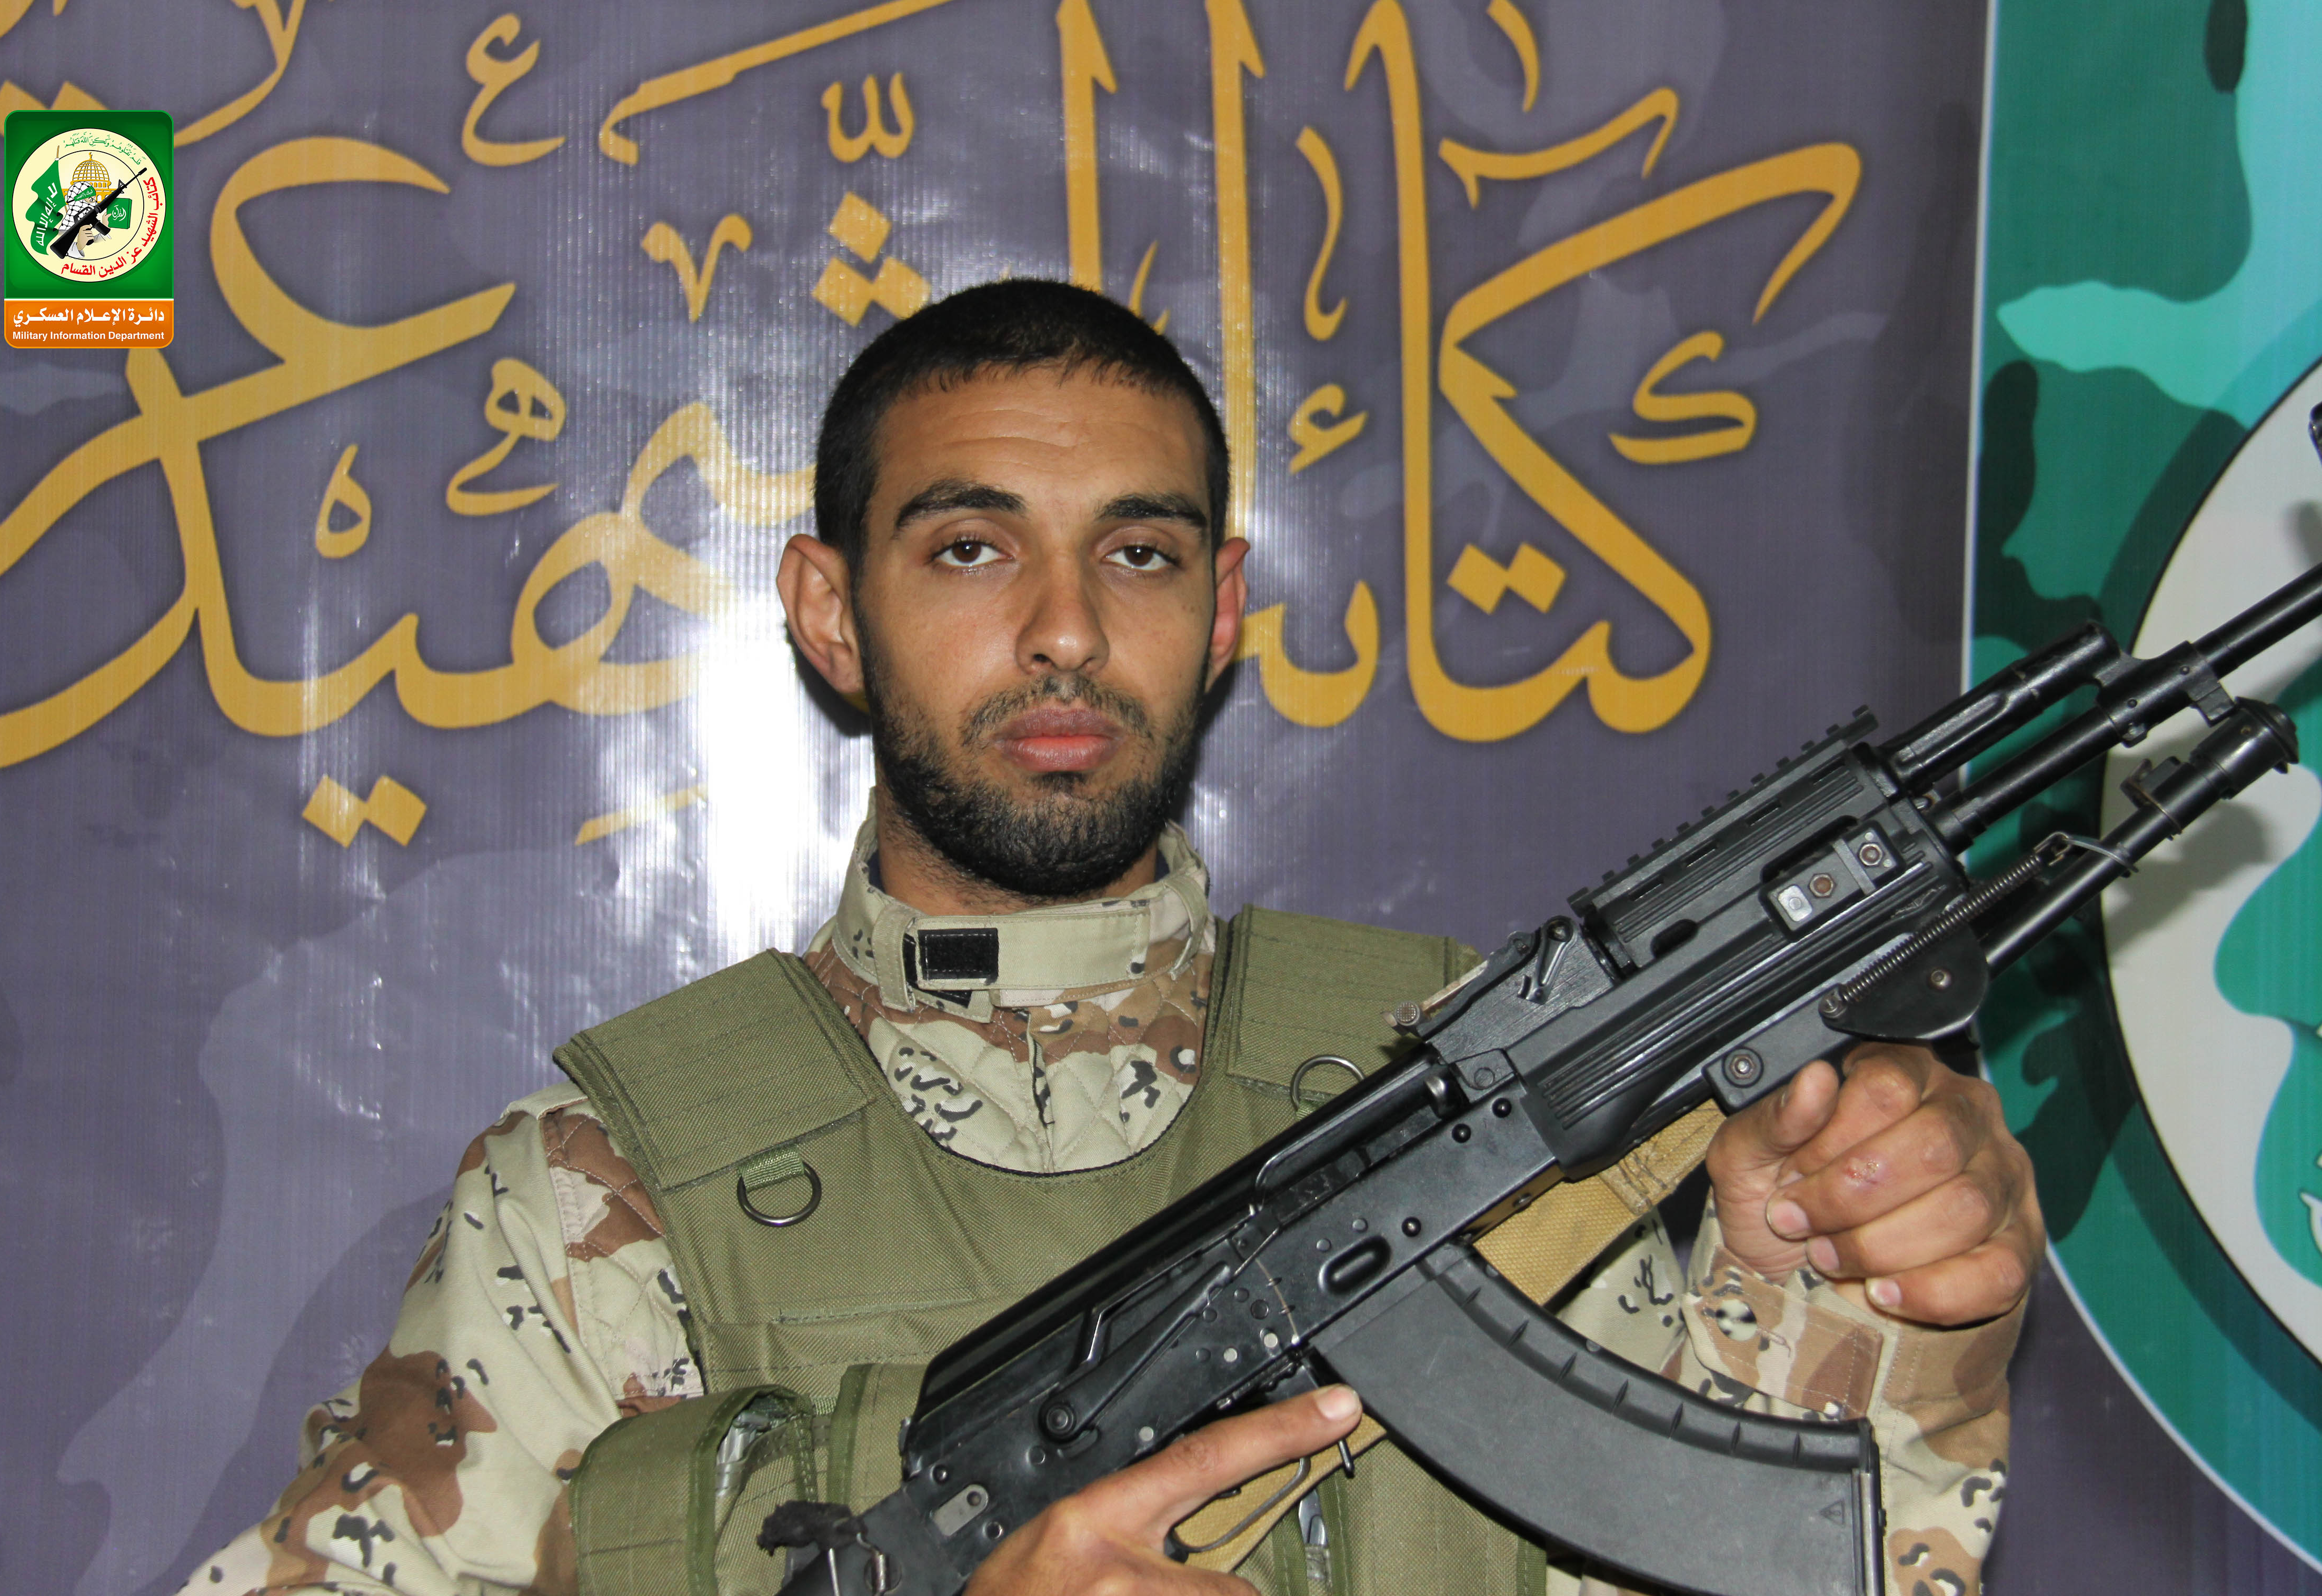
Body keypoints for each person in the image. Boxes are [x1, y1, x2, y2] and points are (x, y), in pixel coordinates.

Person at [182, 280, 2039, 1596]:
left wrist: (1864, 1293)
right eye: (971, 549)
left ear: (1220, 611)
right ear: (828, 611)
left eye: (1137, 553)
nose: (1066, 630)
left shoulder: (1461, 1092)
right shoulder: (608, 1192)